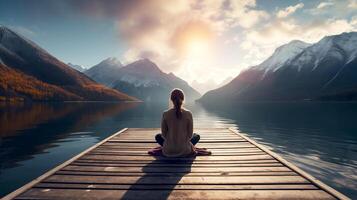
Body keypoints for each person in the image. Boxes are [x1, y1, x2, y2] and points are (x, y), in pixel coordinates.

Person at [155, 88, 200, 157]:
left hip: (169, 149)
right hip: (185, 149)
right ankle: (181, 146)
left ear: (171, 99)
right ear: (183, 99)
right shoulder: (188, 114)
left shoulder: (166, 113)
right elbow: (190, 135)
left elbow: (164, 135)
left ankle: (173, 146)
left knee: (158, 136)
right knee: (196, 136)